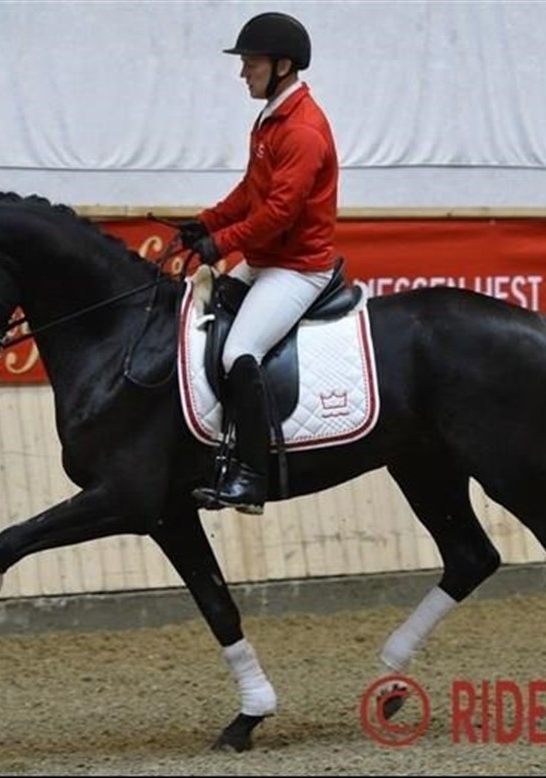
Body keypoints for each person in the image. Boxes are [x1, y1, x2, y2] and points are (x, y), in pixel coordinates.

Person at [181, 11, 340, 515]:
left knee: (239, 352)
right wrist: (204, 223)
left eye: (251, 64)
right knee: (203, 323)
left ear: (282, 66)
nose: (242, 73)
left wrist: (220, 244)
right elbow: (252, 191)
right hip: (268, 259)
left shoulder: (303, 130)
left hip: (297, 268)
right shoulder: (273, 117)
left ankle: (252, 477)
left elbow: (277, 214)